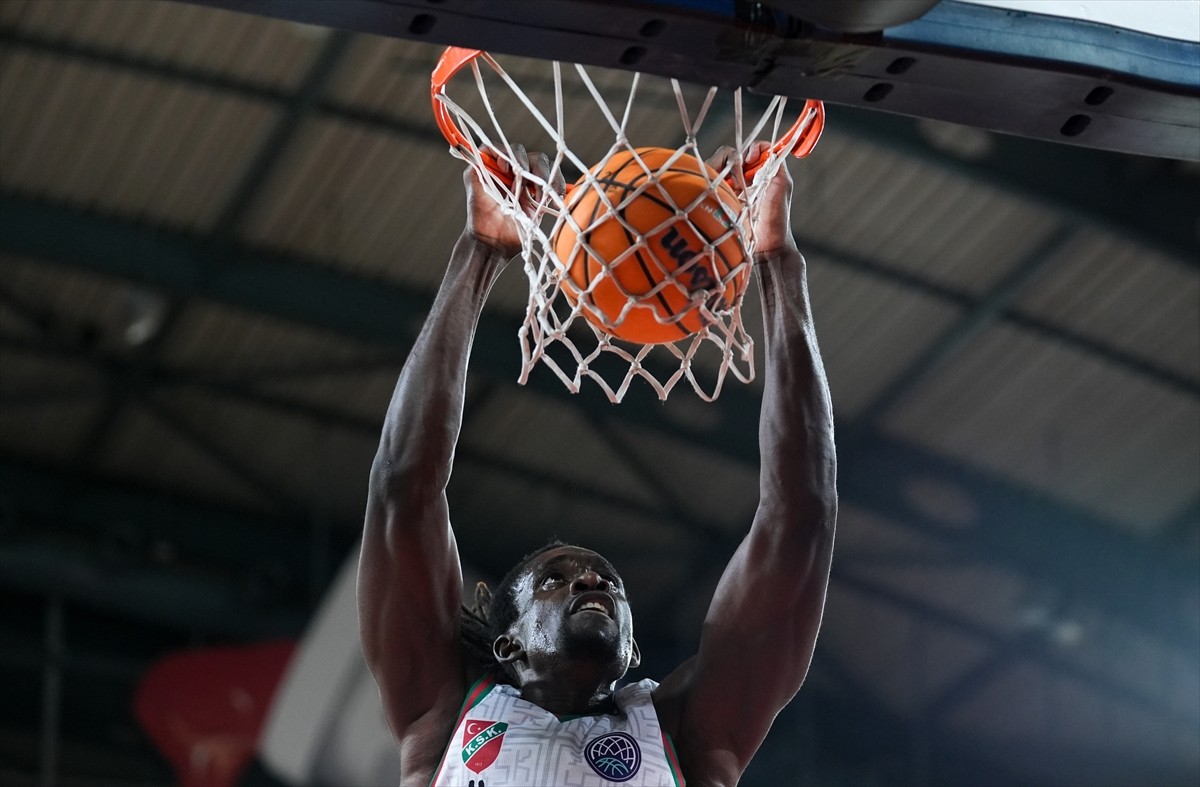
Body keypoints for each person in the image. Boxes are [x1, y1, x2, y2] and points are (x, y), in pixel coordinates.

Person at [358, 143, 837, 787]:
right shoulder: (445, 716)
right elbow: (401, 490)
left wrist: (778, 260)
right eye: (556, 580)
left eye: (603, 580)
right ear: (509, 646)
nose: (592, 584)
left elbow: (800, 517)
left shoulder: (687, 735)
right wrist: (479, 251)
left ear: (633, 653)